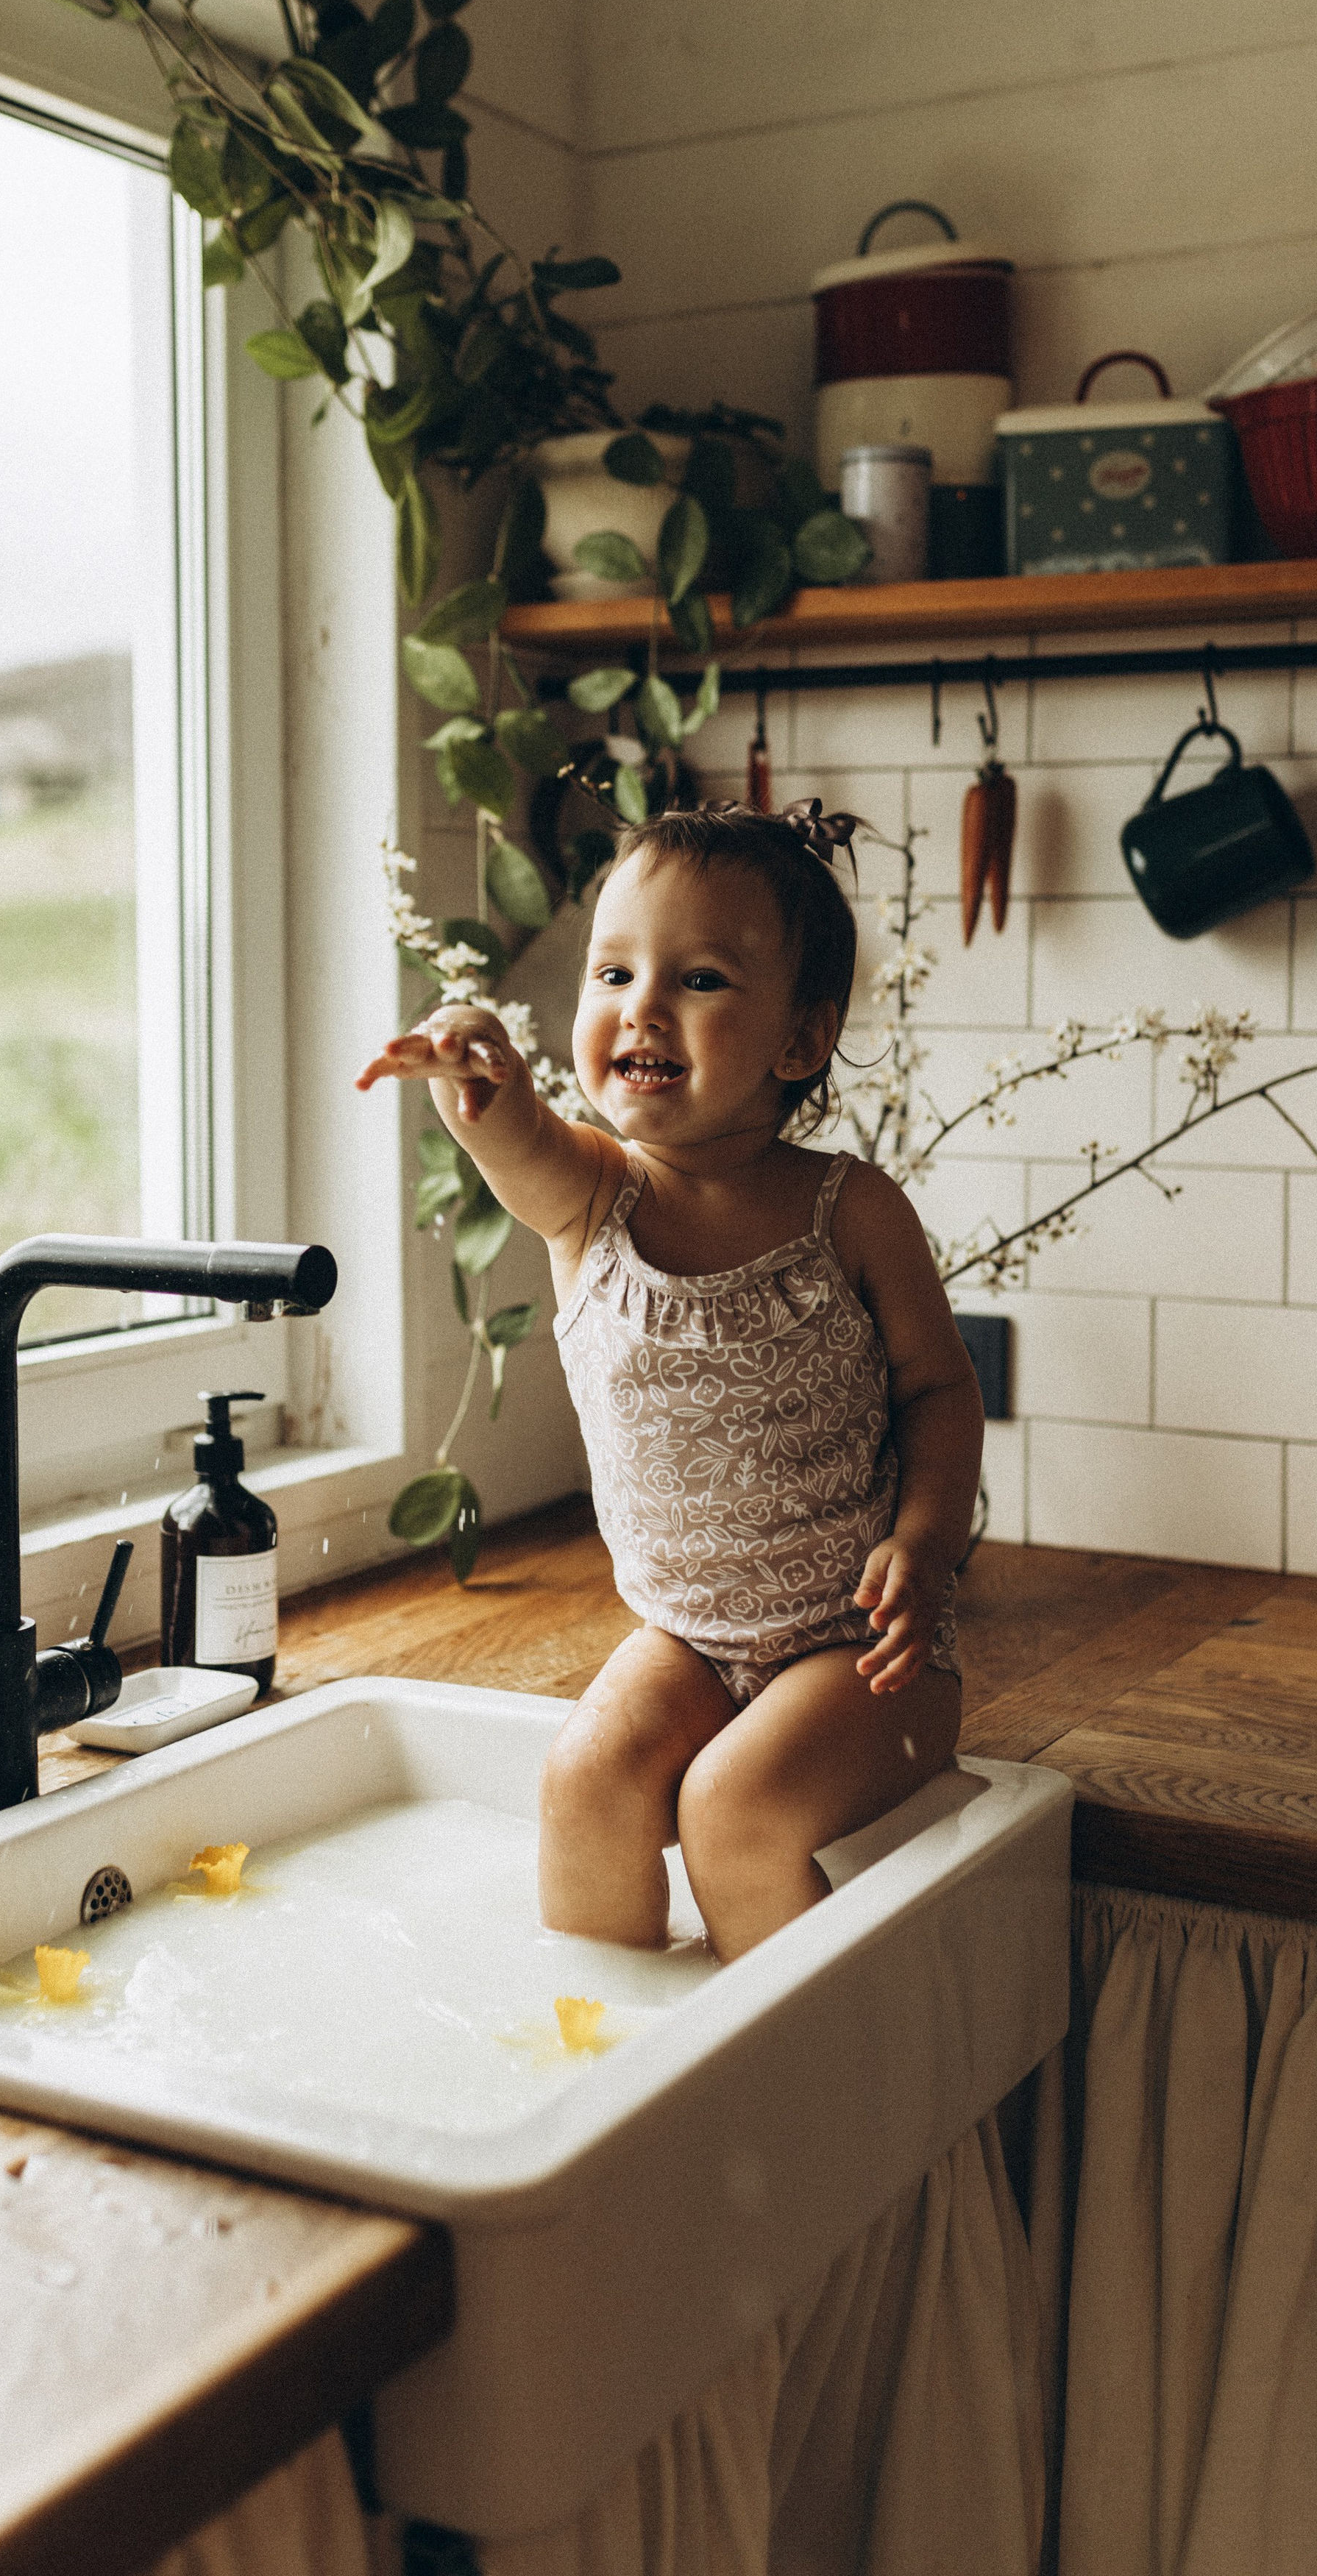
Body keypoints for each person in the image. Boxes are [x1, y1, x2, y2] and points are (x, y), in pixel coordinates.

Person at [356, 802, 981, 1963]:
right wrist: (478, 1075)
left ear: (799, 1041)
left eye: (696, 978)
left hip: (861, 1649)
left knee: (732, 1809)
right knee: (583, 1779)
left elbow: (940, 1391)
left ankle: (785, 2095)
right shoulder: (593, 1198)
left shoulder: (853, 1212)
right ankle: (610, 2058)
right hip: (687, 1636)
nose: (640, 1005)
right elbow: (520, 1143)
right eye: (614, 971)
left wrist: (929, 1540)